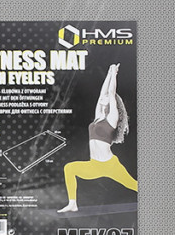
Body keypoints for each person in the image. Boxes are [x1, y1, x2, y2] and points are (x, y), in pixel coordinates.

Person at [58, 63, 137, 212]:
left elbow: (111, 92)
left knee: (133, 185)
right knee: (69, 168)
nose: (102, 98)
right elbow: (103, 93)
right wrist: (108, 73)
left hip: (110, 165)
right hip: (94, 165)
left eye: (107, 98)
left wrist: (114, 73)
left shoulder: (112, 118)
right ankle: (73, 204)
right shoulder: (98, 117)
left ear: (112, 103)